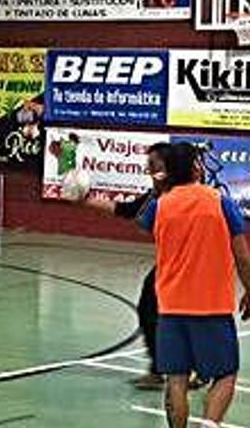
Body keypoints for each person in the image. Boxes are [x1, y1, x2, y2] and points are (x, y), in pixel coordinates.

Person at [138, 142, 250, 428]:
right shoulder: (220, 202)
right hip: (211, 306)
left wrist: (159, 189)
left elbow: (143, 220)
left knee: (176, 380)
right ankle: (210, 424)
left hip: (170, 307)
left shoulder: (159, 206)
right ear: (195, 167)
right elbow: (242, 255)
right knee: (226, 374)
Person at [80, 142, 170, 390]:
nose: (149, 168)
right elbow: (128, 209)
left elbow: (143, 220)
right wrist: (85, 200)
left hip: (192, 265)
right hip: (170, 263)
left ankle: (193, 369)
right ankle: (159, 369)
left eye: (154, 164)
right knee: (150, 310)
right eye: (148, 164)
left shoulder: (178, 194)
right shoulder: (155, 194)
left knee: (185, 317)